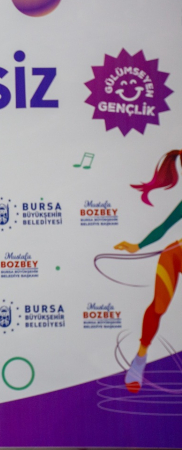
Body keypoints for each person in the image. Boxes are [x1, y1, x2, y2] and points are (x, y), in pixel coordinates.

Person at [115, 149, 182, 393]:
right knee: (159, 307)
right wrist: (138, 246)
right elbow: (164, 228)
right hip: (175, 255)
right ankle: (140, 358)